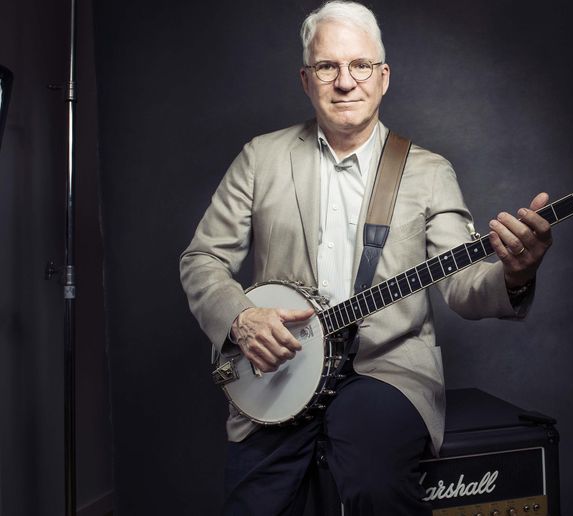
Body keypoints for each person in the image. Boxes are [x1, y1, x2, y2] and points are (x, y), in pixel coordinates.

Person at [179, 1, 552, 514]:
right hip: (281, 371)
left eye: (360, 65)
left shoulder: (427, 172)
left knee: (373, 482)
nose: (345, 81)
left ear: (383, 77)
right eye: (328, 66)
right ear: (306, 80)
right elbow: (202, 258)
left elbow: (464, 286)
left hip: (387, 370)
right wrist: (241, 317)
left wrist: (516, 272)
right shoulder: (260, 158)